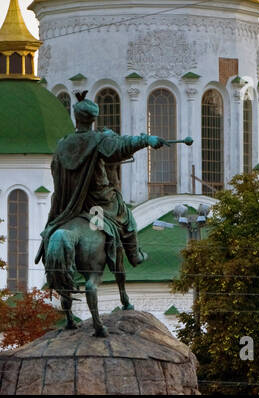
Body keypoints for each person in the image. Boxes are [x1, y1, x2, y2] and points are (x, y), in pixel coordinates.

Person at [34, 91, 164, 272]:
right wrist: (147, 139)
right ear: (93, 120)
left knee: (53, 226)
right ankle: (135, 255)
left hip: (68, 203)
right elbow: (121, 147)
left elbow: (55, 169)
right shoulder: (97, 140)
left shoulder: (63, 143)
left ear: (76, 118)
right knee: (126, 215)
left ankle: (47, 250)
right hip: (98, 200)